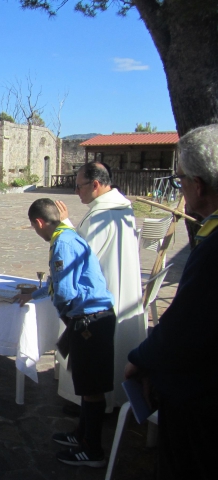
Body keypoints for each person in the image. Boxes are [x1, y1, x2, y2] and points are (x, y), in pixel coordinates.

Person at [125, 124, 218, 480]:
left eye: (180, 180)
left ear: (199, 185)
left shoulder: (213, 249)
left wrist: (140, 359)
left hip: (201, 402)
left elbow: (185, 327)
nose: (180, 187)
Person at [19, 198, 115, 468]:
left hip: (90, 321)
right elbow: (57, 282)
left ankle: (93, 450)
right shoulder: (67, 234)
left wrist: (65, 315)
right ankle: (82, 435)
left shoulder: (63, 242)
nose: (36, 231)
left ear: (39, 222)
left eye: (33, 227)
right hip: (91, 319)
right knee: (86, 384)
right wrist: (34, 293)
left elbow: (64, 292)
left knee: (92, 388)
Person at [55, 162, 144, 412]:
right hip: (120, 286)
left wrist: (65, 225)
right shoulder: (122, 207)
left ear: (95, 184)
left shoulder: (100, 215)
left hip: (97, 298)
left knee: (92, 357)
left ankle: (87, 404)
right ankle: (110, 399)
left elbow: (82, 254)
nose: (76, 192)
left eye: (79, 186)